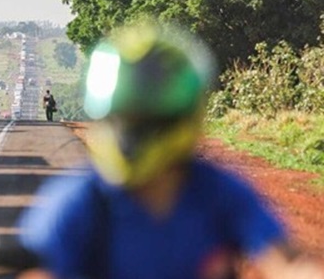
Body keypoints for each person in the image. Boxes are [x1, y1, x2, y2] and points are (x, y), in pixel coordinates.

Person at [16, 22, 324, 279]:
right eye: (125, 118)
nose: (132, 134)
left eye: (146, 120)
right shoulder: (83, 201)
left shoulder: (219, 194)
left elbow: (288, 262)